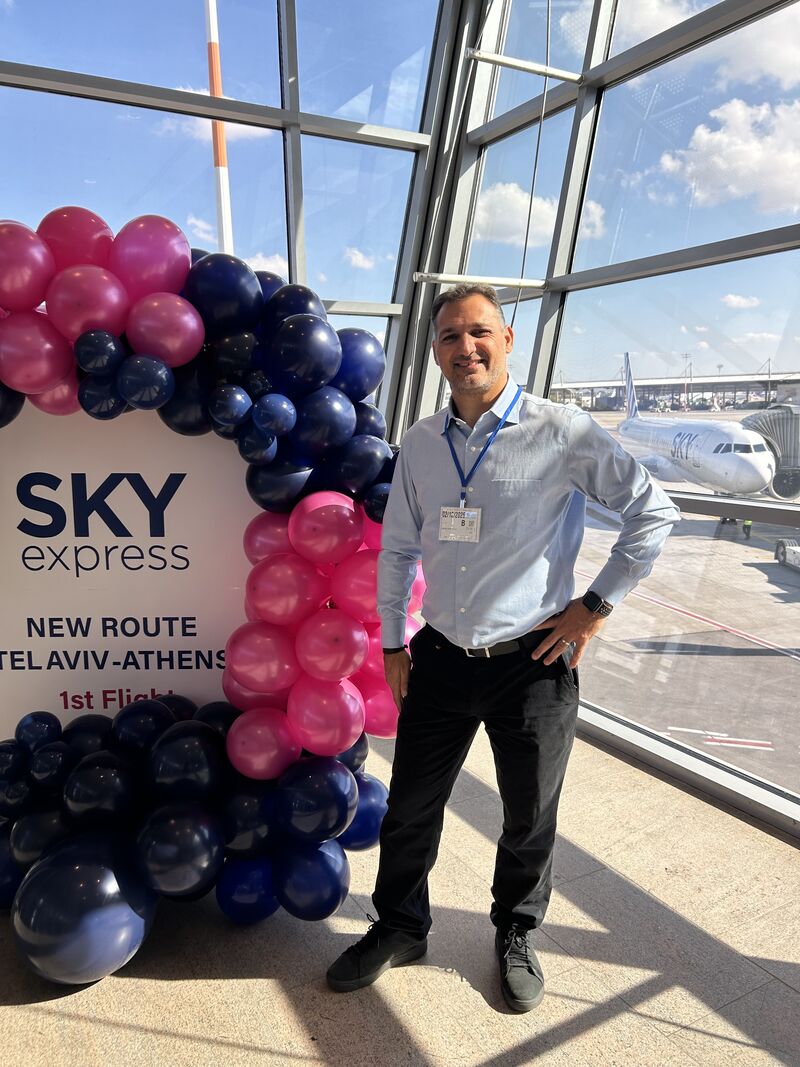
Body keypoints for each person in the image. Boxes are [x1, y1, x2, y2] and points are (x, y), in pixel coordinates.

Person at [326, 284, 680, 1011]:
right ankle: (400, 926)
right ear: (435, 350)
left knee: (528, 814)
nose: (467, 348)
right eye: (451, 336)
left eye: (480, 332)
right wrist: (392, 641)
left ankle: (516, 930)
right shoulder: (422, 442)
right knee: (410, 809)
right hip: (440, 655)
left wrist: (594, 606)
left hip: (534, 662)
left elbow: (653, 511)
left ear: (508, 339)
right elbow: (398, 549)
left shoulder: (563, 432)